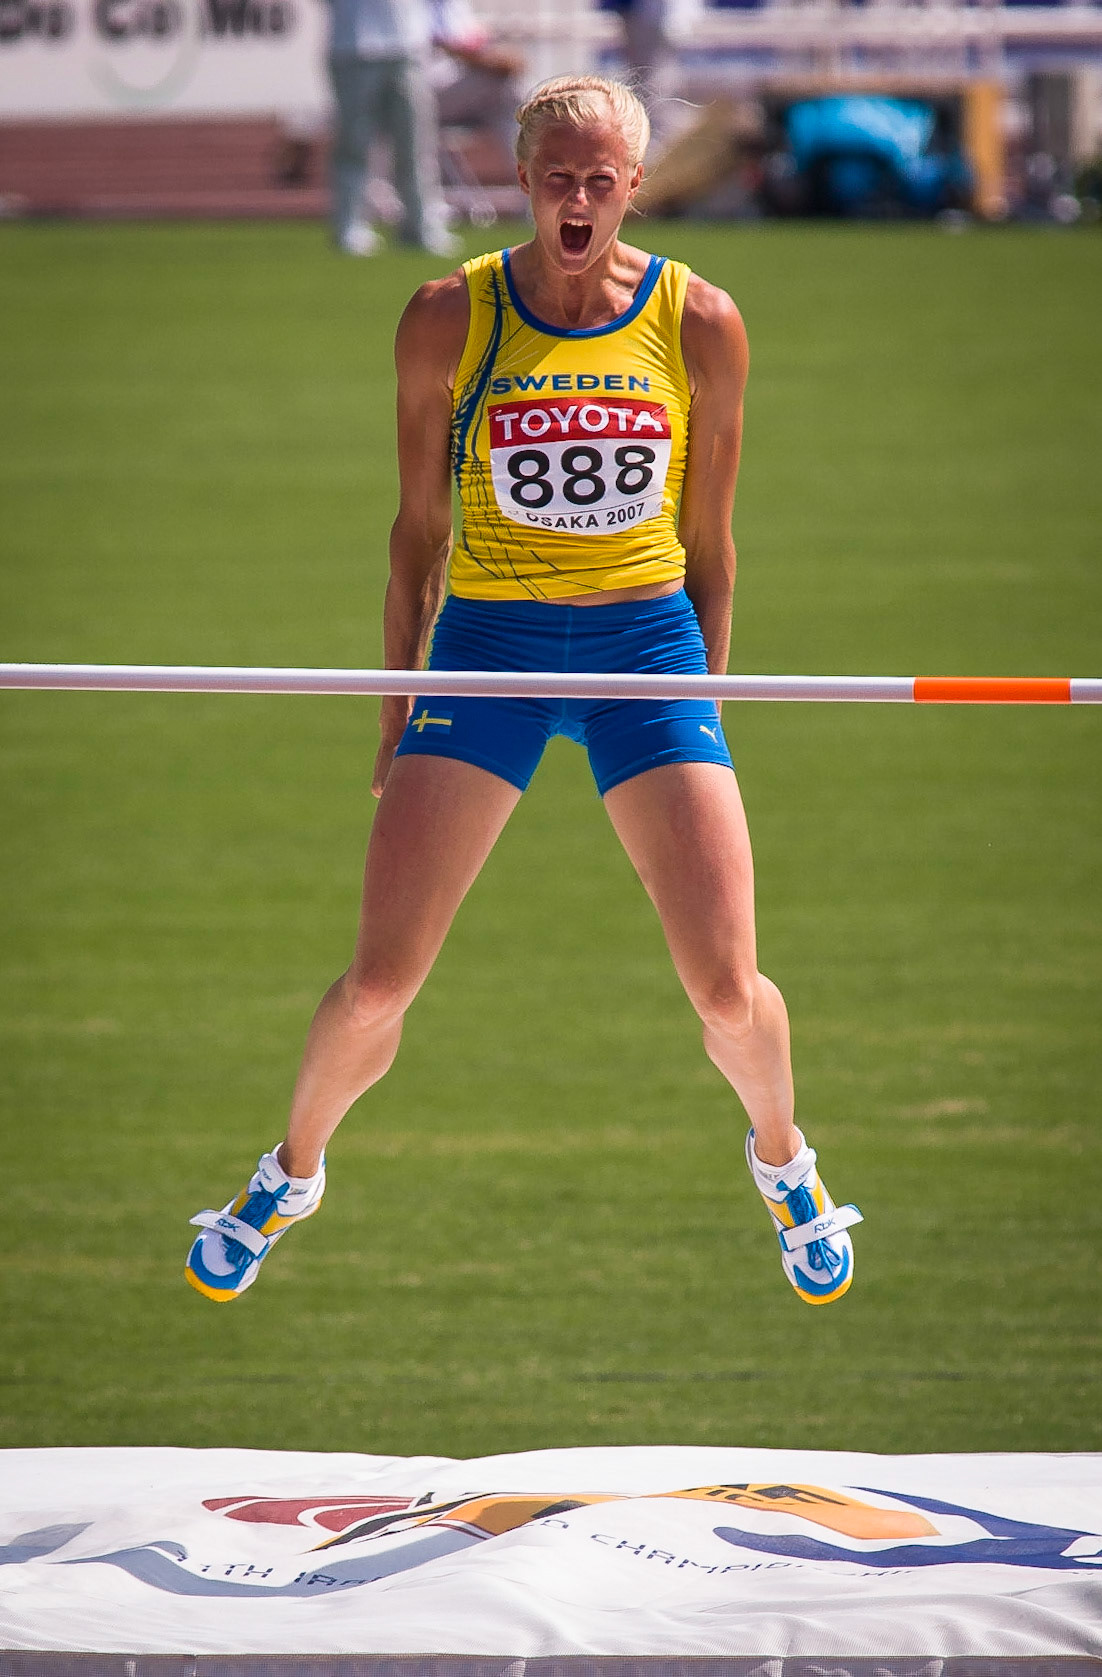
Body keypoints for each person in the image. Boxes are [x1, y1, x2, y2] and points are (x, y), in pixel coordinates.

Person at [186, 74, 862, 1309]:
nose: (577, 201)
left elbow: (710, 545)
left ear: (635, 185)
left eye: (600, 180)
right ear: (522, 180)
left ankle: (785, 1163)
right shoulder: (449, 315)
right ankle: (290, 1173)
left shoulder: (700, 321)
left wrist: (702, 707)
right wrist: (393, 714)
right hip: (486, 649)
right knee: (378, 981)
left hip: (643, 650)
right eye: (557, 179)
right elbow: (414, 538)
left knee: (725, 985)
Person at [324, 0, 457, 256]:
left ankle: (421, 225)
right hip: (353, 47)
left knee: (416, 144)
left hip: (408, 48)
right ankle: (349, 225)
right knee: (353, 145)